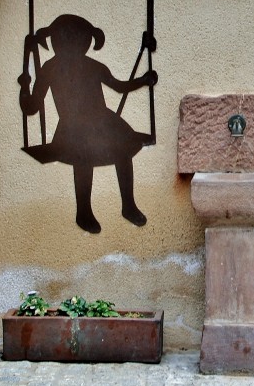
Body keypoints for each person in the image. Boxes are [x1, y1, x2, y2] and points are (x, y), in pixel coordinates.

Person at [18, 14, 157, 234]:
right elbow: (32, 107)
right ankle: (84, 211)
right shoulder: (50, 69)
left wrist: (142, 80)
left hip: (103, 121)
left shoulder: (90, 67)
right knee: (82, 155)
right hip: (72, 128)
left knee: (122, 151)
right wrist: (25, 84)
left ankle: (128, 205)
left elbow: (119, 86)